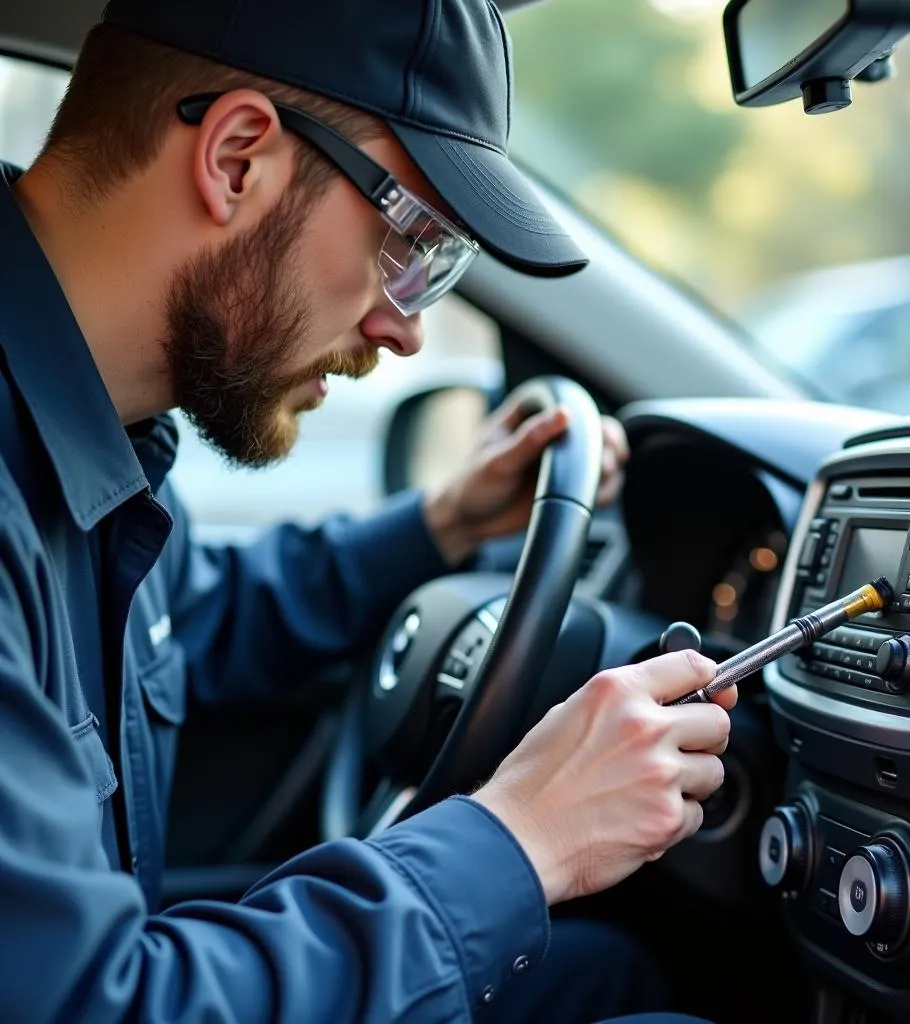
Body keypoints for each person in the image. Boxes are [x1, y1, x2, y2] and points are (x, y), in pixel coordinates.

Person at [0, 0, 736, 1021]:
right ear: (237, 159)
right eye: (413, 243)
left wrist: (443, 525)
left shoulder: (89, 434)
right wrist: (523, 837)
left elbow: (188, 617)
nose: (406, 331)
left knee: (610, 976)